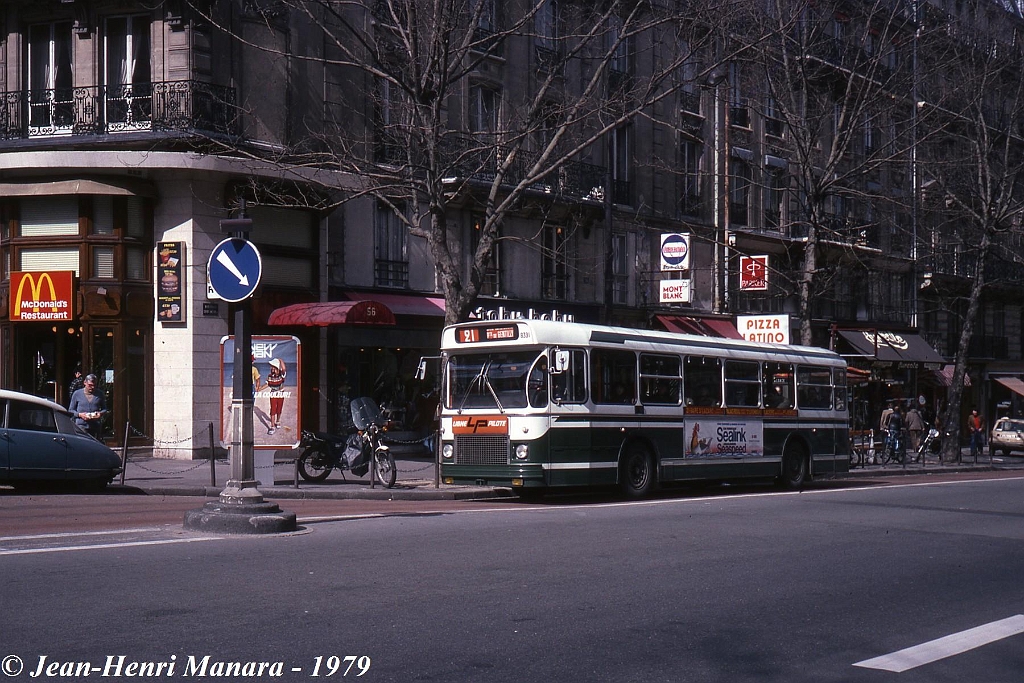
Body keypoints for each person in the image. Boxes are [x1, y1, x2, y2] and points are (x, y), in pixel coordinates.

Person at [68, 373, 106, 439]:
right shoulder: (77, 394)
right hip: (81, 426)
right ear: (85, 383)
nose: (92, 387)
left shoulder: (100, 394)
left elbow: (104, 409)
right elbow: (70, 410)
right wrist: (80, 415)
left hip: (95, 426)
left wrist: (100, 414)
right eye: (90, 385)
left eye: (94, 385)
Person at [265, 358, 286, 435]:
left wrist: (280, 360)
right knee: (273, 409)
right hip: (273, 393)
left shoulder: (281, 375)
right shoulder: (270, 376)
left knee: (279, 408)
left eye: (273, 367)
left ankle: (278, 421)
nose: (272, 368)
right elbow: (267, 384)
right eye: (271, 367)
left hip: (281, 393)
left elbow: (284, 368)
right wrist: (259, 389)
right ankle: (272, 426)